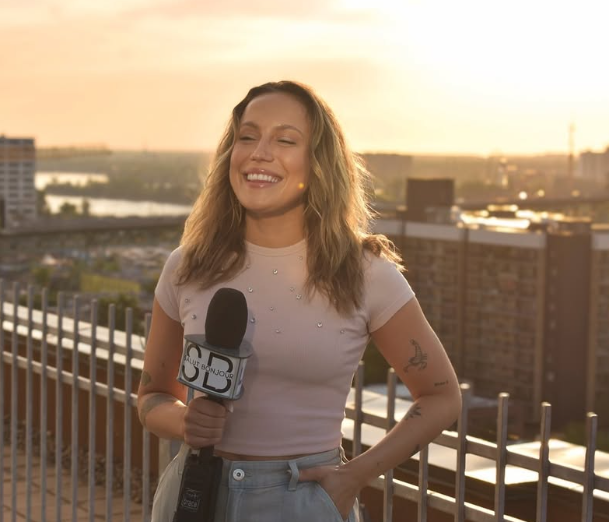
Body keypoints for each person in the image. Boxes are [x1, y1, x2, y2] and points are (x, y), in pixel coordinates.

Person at [137, 80, 462, 521]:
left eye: (285, 140)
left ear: (317, 163)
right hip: (194, 496)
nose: (259, 152)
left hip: (300, 500)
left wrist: (354, 476)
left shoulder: (364, 273)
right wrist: (183, 422)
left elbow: (442, 396)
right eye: (246, 137)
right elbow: (153, 395)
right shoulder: (188, 266)